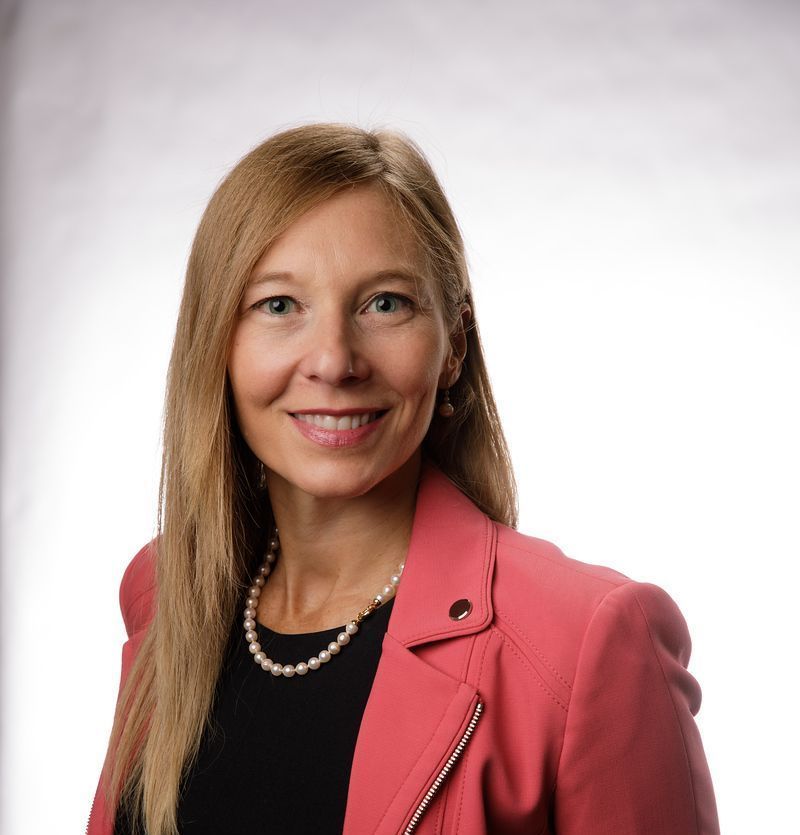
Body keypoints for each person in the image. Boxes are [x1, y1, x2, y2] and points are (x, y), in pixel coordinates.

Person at [88, 123, 720, 835]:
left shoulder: (588, 641)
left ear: (453, 344)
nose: (333, 360)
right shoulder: (169, 592)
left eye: (385, 302)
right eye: (279, 305)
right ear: (217, 346)